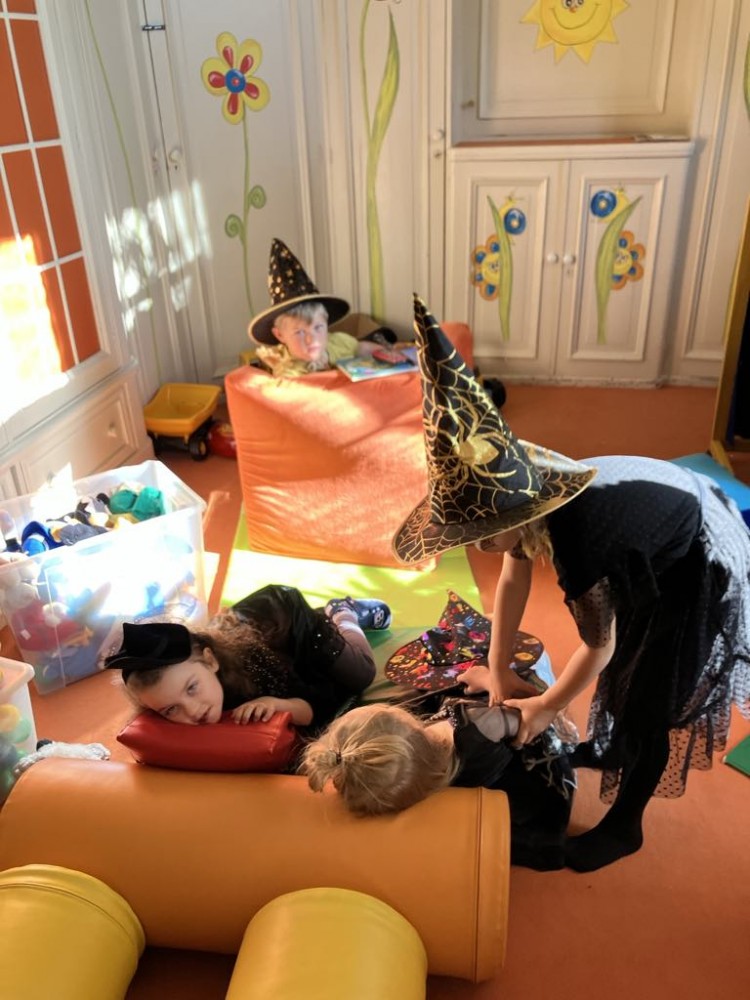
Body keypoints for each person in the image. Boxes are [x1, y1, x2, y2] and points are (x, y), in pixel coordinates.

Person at [390, 293, 750, 873]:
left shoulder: (580, 544)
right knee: (629, 665)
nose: (478, 548)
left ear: (517, 516)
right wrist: (498, 668)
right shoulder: (526, 494)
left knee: (650, 695)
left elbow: (596, 647)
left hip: (695, 557)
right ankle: (610, 749)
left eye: (484, 535)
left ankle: (626, 826)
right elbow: (512, 581)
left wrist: (543, 708)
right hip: (648, 536)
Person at [302, 671, 576, 871]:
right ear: (406, 720)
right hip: (528, 778)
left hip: (483, 773)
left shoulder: (408, 778)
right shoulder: (479, 726)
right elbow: (537, 719)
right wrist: (490, 682)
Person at [104, 585, 391, 732]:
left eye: (191, 688)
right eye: (170, 710)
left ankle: (342, 612)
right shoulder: (192, 680)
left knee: (359, 675)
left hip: (285, 620)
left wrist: (277, 704)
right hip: (247, 630)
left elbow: (317, 705)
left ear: (210, 661)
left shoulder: (255, 664)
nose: (192, 711)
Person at [248, 238, 403, 378]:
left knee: (384, 338)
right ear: (280, 335)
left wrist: (391, 351)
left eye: (318, 327)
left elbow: (361, 348)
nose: (311, 339)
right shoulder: (287, 369)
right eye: (299, 332)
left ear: (326, 322)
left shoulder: (338, 342)